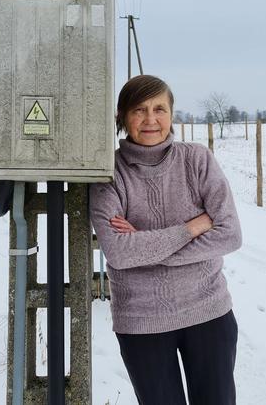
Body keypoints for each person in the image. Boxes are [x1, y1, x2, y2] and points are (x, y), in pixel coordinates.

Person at [90, 75, 242, 405]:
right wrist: (191, 228)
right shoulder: (108, 174)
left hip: (209, 311)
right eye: (139, 110)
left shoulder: (197, 160)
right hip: (142, 321)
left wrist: (145, 247)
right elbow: (117, 252)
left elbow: (229, 234)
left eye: (160, 109)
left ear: (172, 114)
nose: (150, 120)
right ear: (121, 115)